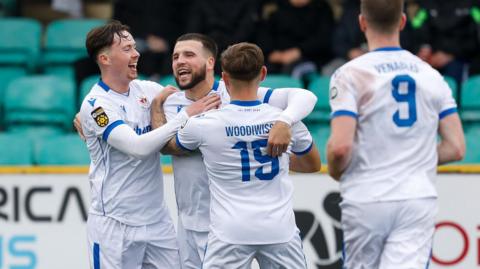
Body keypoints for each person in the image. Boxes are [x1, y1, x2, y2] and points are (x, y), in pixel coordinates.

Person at [151, 33, 319, 268]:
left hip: (225, 229)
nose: (180, 61)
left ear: (219, 71)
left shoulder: (206, 121)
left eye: (189, 54)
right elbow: (313, 163)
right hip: (195, 222)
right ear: (262, 74)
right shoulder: (281, 117)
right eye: (175, 56)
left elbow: (164, 146)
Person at [326, 0, 465, 268]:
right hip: (416, 197)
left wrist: (334, 169)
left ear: (362, 23)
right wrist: (411, 158)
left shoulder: (349, 74)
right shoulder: (431, 75)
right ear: (402, 21)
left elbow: (340, 148)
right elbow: (456, 147)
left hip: (367, 196)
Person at [78, 21, 220, 269]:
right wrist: (185, 116)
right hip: (114, 224)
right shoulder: (96, 105)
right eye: (126, 49)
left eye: (134, 47)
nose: (136, 54)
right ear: (105, 58)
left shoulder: (148, 90)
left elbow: (192, 96)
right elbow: (138, 147)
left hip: (157, 222)